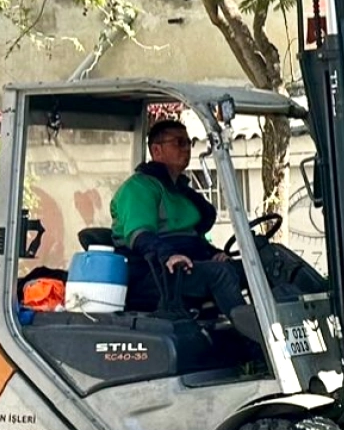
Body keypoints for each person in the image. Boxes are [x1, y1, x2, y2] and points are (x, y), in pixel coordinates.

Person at [110, 118, 257, 342]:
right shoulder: (139, 187)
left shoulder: (180, 191)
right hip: (156, 272)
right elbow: (140, 235)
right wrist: (168, 255)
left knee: (258, 267)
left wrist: (213, 253)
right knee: (220, 274)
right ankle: (256, 345)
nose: (187, 148)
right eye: (179, 143)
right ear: (156, 150)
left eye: (188, 142)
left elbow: (190, 236)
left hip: (187, 265)